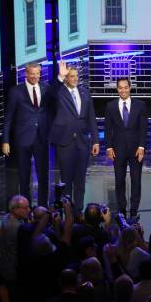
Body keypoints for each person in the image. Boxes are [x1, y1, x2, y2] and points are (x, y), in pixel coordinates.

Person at [49, 61, 100, 211]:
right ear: (66, 78)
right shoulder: (59, 92)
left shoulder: (84, 92)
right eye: (71, 76)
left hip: (83, 142)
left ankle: (78, 212)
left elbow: (91, 117)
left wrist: (95, 141)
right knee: (66, 181)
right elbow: (50, 93)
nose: (75, 79)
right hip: (65, 142)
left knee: (80, 181)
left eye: (76, 76)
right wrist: (59, 76)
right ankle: (68, 213)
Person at [2, 62, 52, 206]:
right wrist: (5, 141)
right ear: (26, 73)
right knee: (24, 177)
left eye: (38, 73)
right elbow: (8, 118)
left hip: (41, 137)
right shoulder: (16, 91)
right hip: (23, 139)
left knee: (43, 176)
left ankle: (43, 208)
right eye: (32, 73)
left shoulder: (46, 88)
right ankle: (25, 209)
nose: (36, 76)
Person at [104, 78, 148, 218]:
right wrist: (109, 147)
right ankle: (122, 209)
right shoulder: (110, 106)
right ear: (117, 89)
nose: (123, 90)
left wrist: (142, 146)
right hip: (118, 149)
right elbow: (108, 128)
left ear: (130, 88)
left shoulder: (140, 105)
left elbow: (143, 128)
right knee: (119, 180)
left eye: (125, 87)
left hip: (136, 149)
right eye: (120, 88)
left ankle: (134, 209)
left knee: (136, 180)